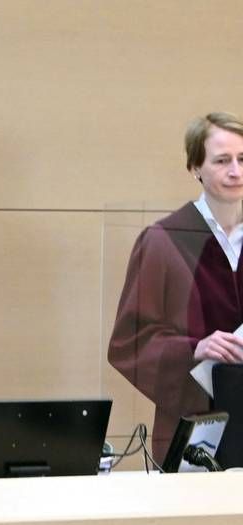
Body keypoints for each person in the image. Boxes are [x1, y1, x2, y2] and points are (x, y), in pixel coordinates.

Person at [108, 111, 243, 461]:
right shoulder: (163, 242)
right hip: (198, 427)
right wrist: (195, 348)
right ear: (195, 168)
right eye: (222, 160)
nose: (236, 171)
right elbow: (130, 340)